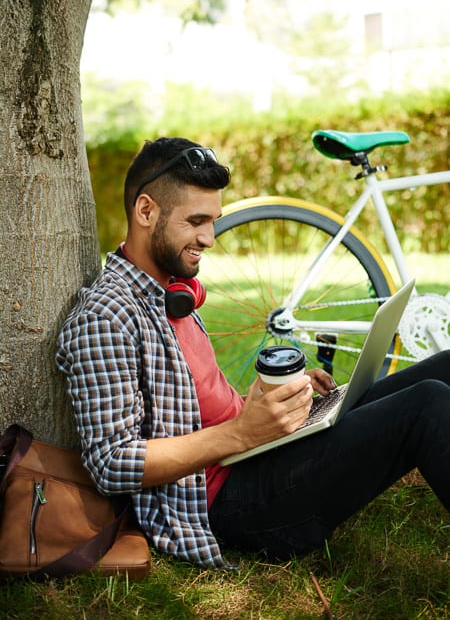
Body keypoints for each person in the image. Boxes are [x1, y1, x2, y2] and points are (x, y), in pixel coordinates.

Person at [56, 137, 450, 569]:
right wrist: (245, 432)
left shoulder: (170, 289)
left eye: (213, 220)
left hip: (255, 454)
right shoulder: (105, 316)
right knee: (427, 403)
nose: (209, 238)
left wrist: (268, 405)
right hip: (234, 502)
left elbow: (193, 408)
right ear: (146, 211)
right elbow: (111, 462)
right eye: (196, 221)